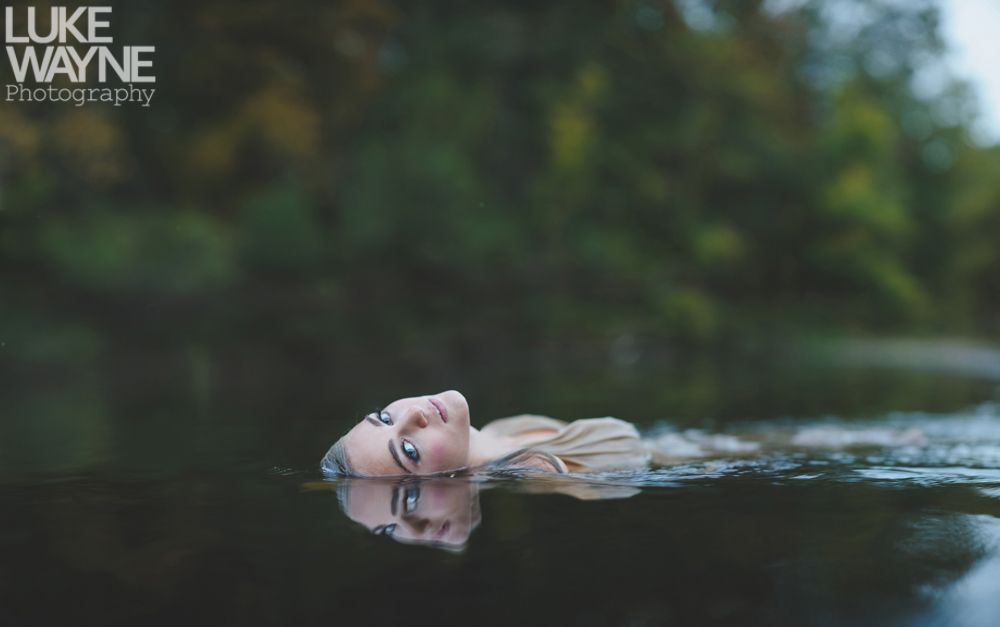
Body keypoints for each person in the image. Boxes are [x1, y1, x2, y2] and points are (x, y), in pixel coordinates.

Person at [320, 389, 653, 477]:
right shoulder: (540, 471)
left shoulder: (493, 433)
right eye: (408, 450)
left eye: (384, 417)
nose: (414, 414)